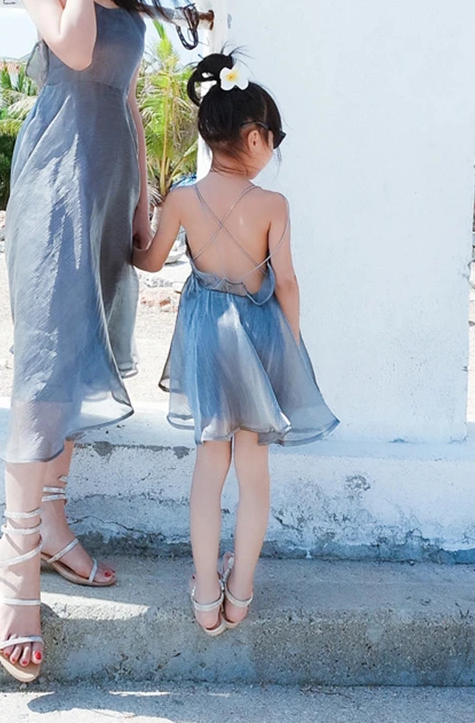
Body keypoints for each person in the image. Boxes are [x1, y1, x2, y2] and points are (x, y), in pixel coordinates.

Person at [0, 0, 188, 683]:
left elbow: (126, 102)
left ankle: (56, 521)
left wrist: (140, 201)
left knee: (83, 353)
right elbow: (71, 52)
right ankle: (17, 551)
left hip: (108, 193)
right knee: (46, 360)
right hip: (57, 184)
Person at [133, 52, 339, 636]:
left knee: (208, 464)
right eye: (273, 137)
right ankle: (240, 593)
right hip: (259, 337)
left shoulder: (180, 197)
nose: (272, 148)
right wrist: (289, 348)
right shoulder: (273, 205)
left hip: (204, 336)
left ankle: (204, 597)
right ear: (253, 136)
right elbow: (289, 282)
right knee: (254, 470)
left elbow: (150, 261)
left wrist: (133, 237)